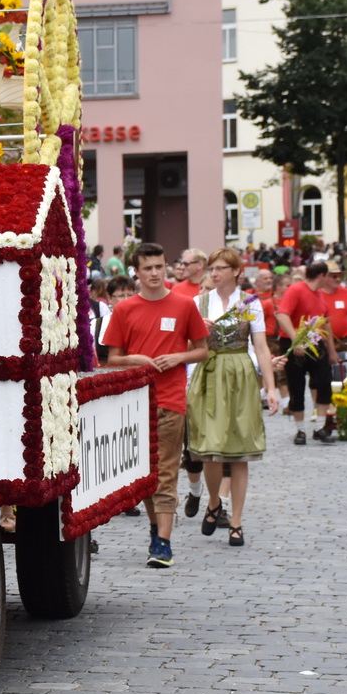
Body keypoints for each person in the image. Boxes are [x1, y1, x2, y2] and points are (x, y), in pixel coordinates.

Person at [102, 242, 209, 569]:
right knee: (144, 475)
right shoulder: (124, 310)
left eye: (159, 267)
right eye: (147, 268)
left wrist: (179, 355)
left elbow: (203, 350)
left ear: (166, 267)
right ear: (135, 271)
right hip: (134, 403)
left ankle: (163, 542)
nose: (154, 273)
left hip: (170, 399)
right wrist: (136, 359)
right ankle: (155, 528)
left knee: (164, 472)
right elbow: (110, 360)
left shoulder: (184, 305)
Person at [188, 249, 281, 547]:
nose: (214, 273)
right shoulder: (197, 302)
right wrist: (199, 330)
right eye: (212, 268)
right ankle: (214, 501)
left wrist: (271, 387)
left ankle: (236, 522)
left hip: (240, 374)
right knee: (210, 450)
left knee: (240, 452)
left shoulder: (251, 304)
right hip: (208, 373)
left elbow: (262, 348)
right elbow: (186, 343)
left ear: (236, 271)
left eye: (221, 268)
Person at [275, 259, 340, 444]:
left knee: (324, 382)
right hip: (294, 342)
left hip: (315, 344)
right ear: (322, 276)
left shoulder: (319, 294)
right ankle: (300, 430)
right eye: (328, 276)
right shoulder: (296, 290)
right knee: (297, 386)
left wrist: (332, 350)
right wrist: (296, 339)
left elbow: (325, 322)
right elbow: (282, 315)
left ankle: (319, 427)